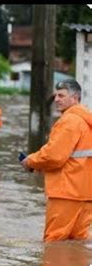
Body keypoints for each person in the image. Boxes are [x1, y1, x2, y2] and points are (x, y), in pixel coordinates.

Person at [21, 79, 92, 242]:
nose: (56, 99)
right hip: (87, 195)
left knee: (54, 243)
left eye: (61, 96)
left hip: (66, 193)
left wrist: (30, 161)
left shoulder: (69, 121)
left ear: (75, 98)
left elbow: (54, 156)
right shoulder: (88, 122)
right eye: (56, 96)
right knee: (77, 244)